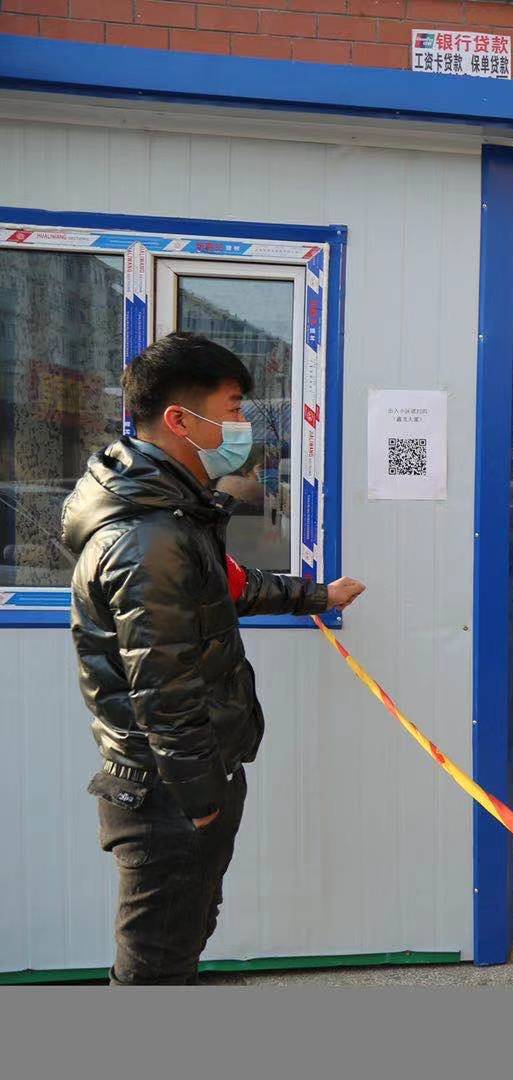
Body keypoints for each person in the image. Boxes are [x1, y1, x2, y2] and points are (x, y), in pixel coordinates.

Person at [63, 332, 366, 985]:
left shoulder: (173, 516)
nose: (242, 426)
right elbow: (164, 691)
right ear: (180, 420)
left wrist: (319, 595)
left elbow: (228, 588)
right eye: (232, 409)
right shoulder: (147, 538)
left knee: (180, 944)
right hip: (169, 794)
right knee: (156, 972)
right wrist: (201, 803)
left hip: (184, 784)